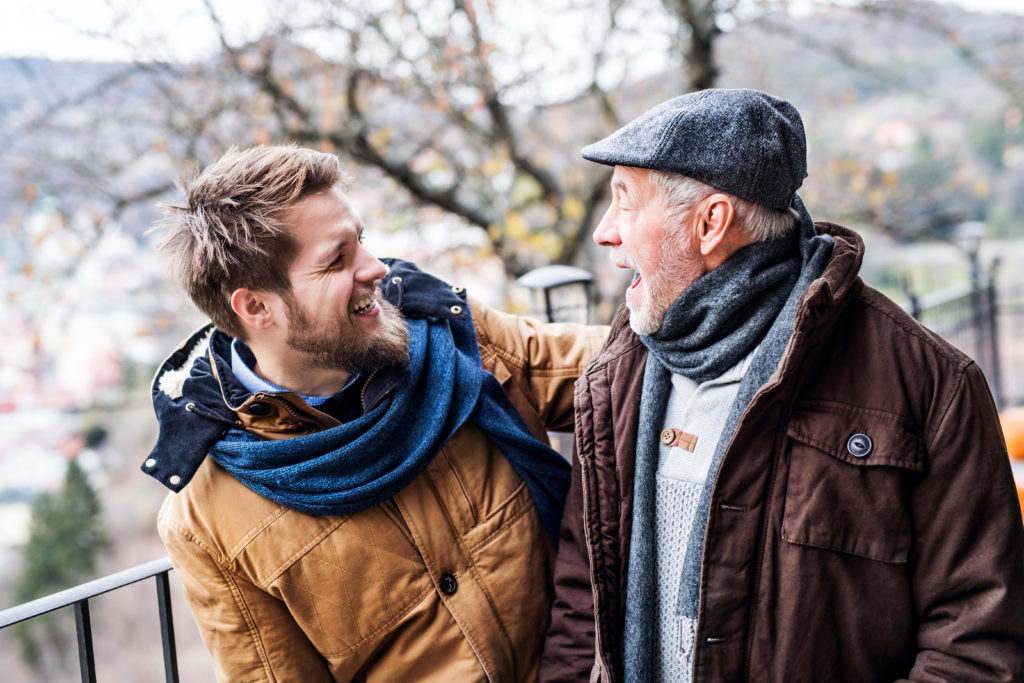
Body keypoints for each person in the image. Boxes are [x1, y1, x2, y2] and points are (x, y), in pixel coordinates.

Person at [540, 89, 1024, 682]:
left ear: (710, 223)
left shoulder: (929, 385)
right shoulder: (619, 374)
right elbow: (582, 608)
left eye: (624, 204)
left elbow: (976, 644)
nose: (604, 233)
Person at [141, 145, 607, 682]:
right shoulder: (206, 519)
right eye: (336, 260)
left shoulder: (455, 335)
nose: (376, 268)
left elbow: (606, 365)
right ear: (256, 308)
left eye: (361, 240)